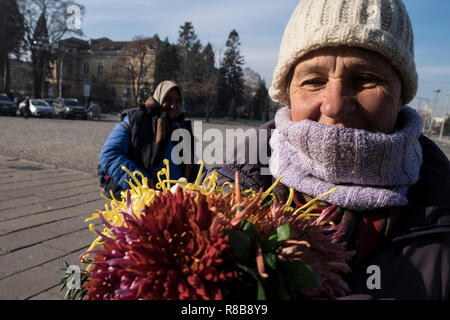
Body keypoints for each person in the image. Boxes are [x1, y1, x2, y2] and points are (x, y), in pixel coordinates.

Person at [203, 0, 450, 299]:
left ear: (401, 94)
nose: (334, 105)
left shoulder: (441, 213)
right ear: (288, 93)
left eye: (365, 79)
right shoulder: (217, 201)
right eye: (314, 81)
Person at [99, 80, 199, 198]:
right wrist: (141, 182)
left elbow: (193, 164)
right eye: (167, 100)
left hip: (173, 202)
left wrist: (208, 179)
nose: (173, 105)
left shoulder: (180, 127)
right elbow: (109, 155)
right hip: (139, 199)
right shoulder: (136, 120)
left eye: (177, 101)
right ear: (158, 99)